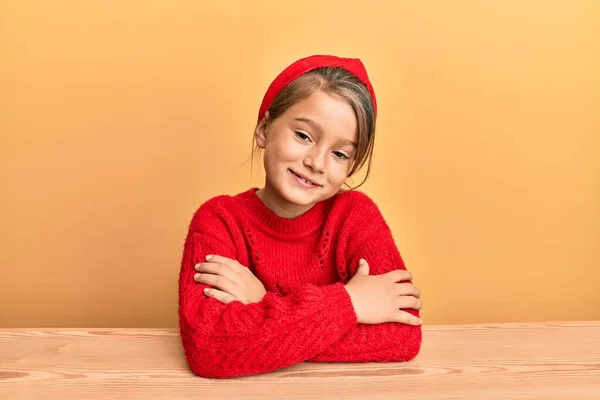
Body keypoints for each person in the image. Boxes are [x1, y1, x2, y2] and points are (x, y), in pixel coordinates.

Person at [178, 55, 423, 379]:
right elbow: (208, 348)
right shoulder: (217, 221)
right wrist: (350, 302)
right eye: (304, 136)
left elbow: (402, 336)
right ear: (264, 130)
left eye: (339, 154)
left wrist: (264, 304)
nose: (317, 163)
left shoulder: (357, 217)